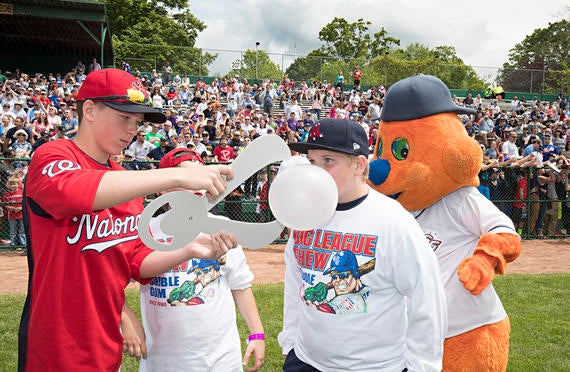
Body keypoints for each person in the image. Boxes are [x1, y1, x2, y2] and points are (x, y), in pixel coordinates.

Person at [18, 68, 238, 371]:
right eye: (124, 117)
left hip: (107, 346)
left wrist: (190, 249)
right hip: (54, 347)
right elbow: (73, 191)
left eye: (136, 122)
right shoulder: (52, 156)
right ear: (90, 110)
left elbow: (135, 262)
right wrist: (180, 174)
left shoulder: (126, 184)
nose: (132, 129)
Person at [279, 119, 446, 371]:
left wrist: (422, 366)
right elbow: (295, 282)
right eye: (312, 162)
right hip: (306, 361)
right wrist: (291, 344)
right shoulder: (305, 213)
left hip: (375, 366)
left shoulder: (393, 221)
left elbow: (427, 299)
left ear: (359, 165)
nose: (316, 171)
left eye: (328, 161)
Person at [126, 148, 265, 372]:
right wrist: (126, 318)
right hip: (162, 360)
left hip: (220, 360)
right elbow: (113, 279)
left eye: (201, 179)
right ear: (163, 187)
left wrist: (257, 334)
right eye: (187, 180)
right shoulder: (147, 230)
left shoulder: (221, 226)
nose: (196, 188)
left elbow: (240, 285)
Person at [2, 175, 26, 253]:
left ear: (18, 184)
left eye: (15, 184)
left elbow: (25, 202)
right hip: (12, 215)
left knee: (21, 230)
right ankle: (13, 244)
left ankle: (22, 244)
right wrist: (12, 208)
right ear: (8, 185)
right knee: (13, 231)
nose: (13, 185)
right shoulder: (7, 195)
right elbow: (5, 204)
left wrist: (20, 208)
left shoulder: (22, 193)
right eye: (11, 184)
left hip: (21, 214)